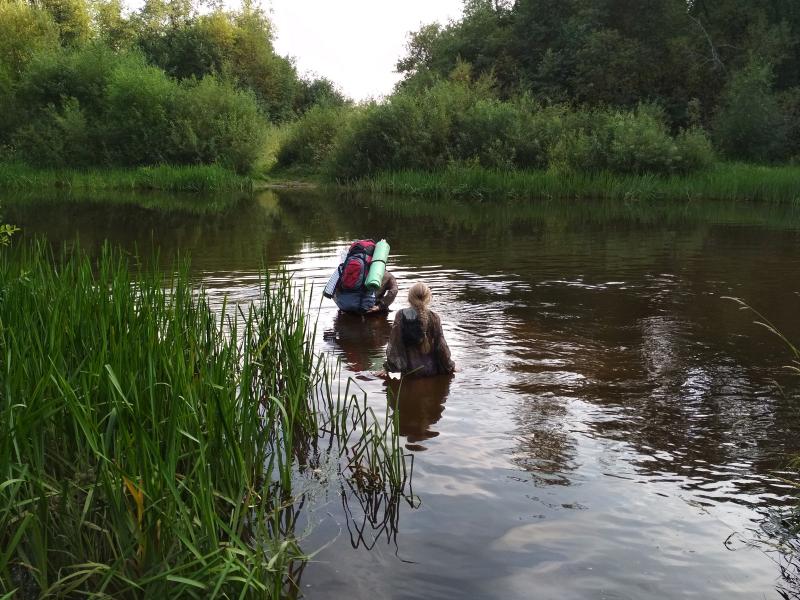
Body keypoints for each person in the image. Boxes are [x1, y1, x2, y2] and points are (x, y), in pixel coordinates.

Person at [385, 282, 455, 377]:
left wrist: (388, 368)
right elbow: (441, 346)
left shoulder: (401, 315)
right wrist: (450, 366)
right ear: (428, 298)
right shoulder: (435, 317)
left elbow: (395, 345)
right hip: (433, 372)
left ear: (409, 298)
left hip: (410, 373)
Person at [333, 239, 397, 315]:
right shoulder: (385, 274)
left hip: (346, 308)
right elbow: (394, 290)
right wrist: (380, 306)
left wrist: (343, 304)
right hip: (371, 309)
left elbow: (330, 289)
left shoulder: (343, 268)